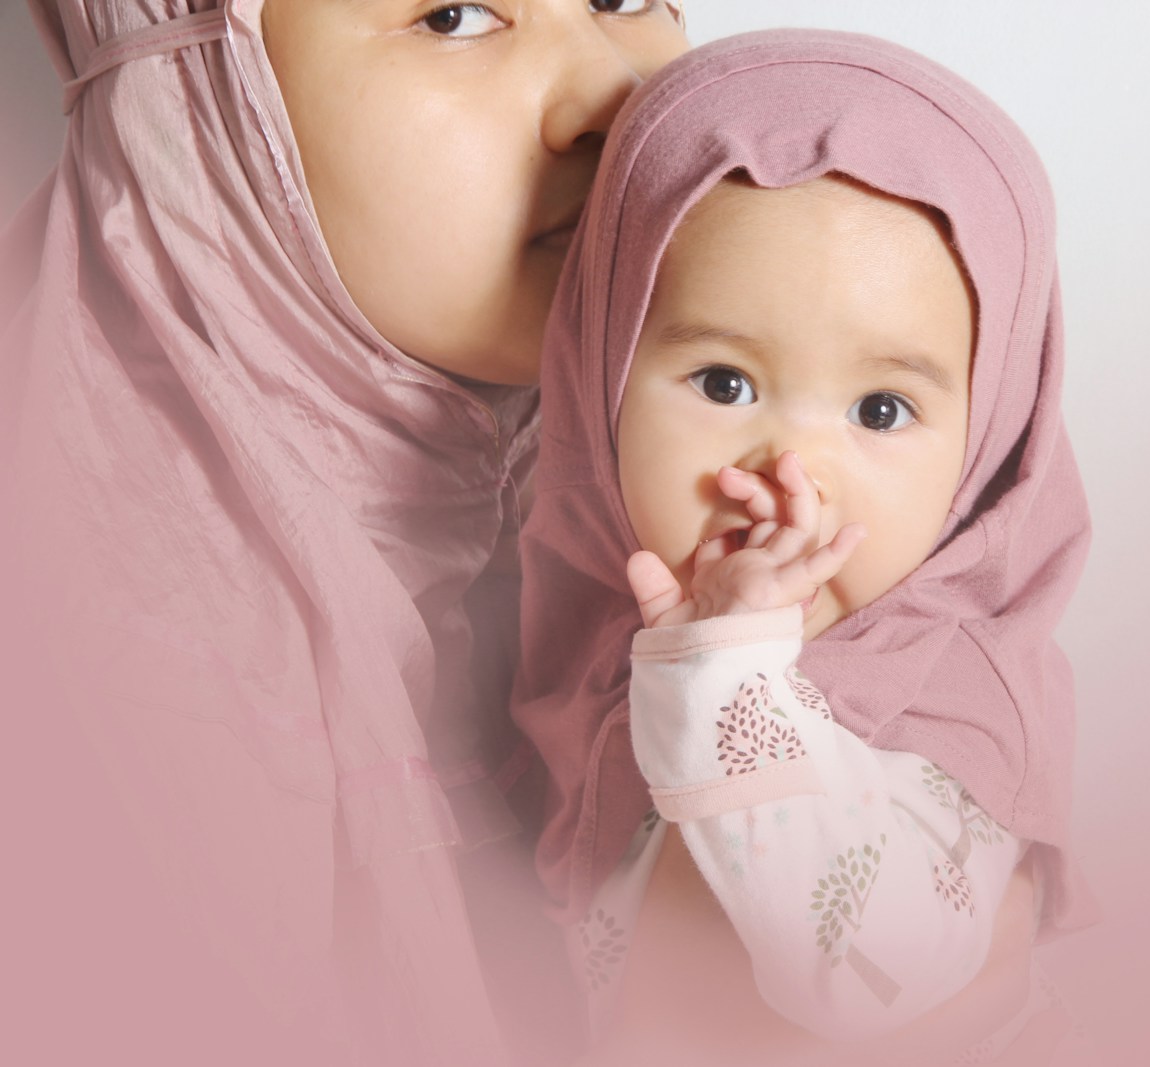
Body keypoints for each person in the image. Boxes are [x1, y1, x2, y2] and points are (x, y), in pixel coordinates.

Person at [0, 2, 687, 1063]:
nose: (614, 94)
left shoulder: (722, 491)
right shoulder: (74, 693)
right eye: (453, 15)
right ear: (208, 101)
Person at [514, 29, 1094, 1063]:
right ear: (597, 374)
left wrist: (730, 680)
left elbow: (860, 968)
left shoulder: (955, 714)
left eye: (879, 407)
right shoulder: (588, 659)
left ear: (988, 448)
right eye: (724, 384)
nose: (794, 475)